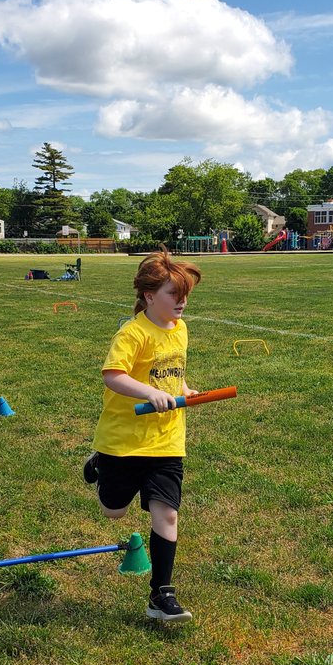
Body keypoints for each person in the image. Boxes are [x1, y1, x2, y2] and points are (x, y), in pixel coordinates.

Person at [84, 249, 201, 624]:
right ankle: (99, 466)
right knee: (113, 511)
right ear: (150, 296)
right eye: (173, 293)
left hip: (166, 440)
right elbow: (113, 375)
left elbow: (171, 373)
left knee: (166, 514)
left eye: (185, 294)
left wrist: (185, 389)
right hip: (123, 440)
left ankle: (161, 594)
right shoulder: (133, 332)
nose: (182, 301)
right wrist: (150, 393)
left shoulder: (180, 329)